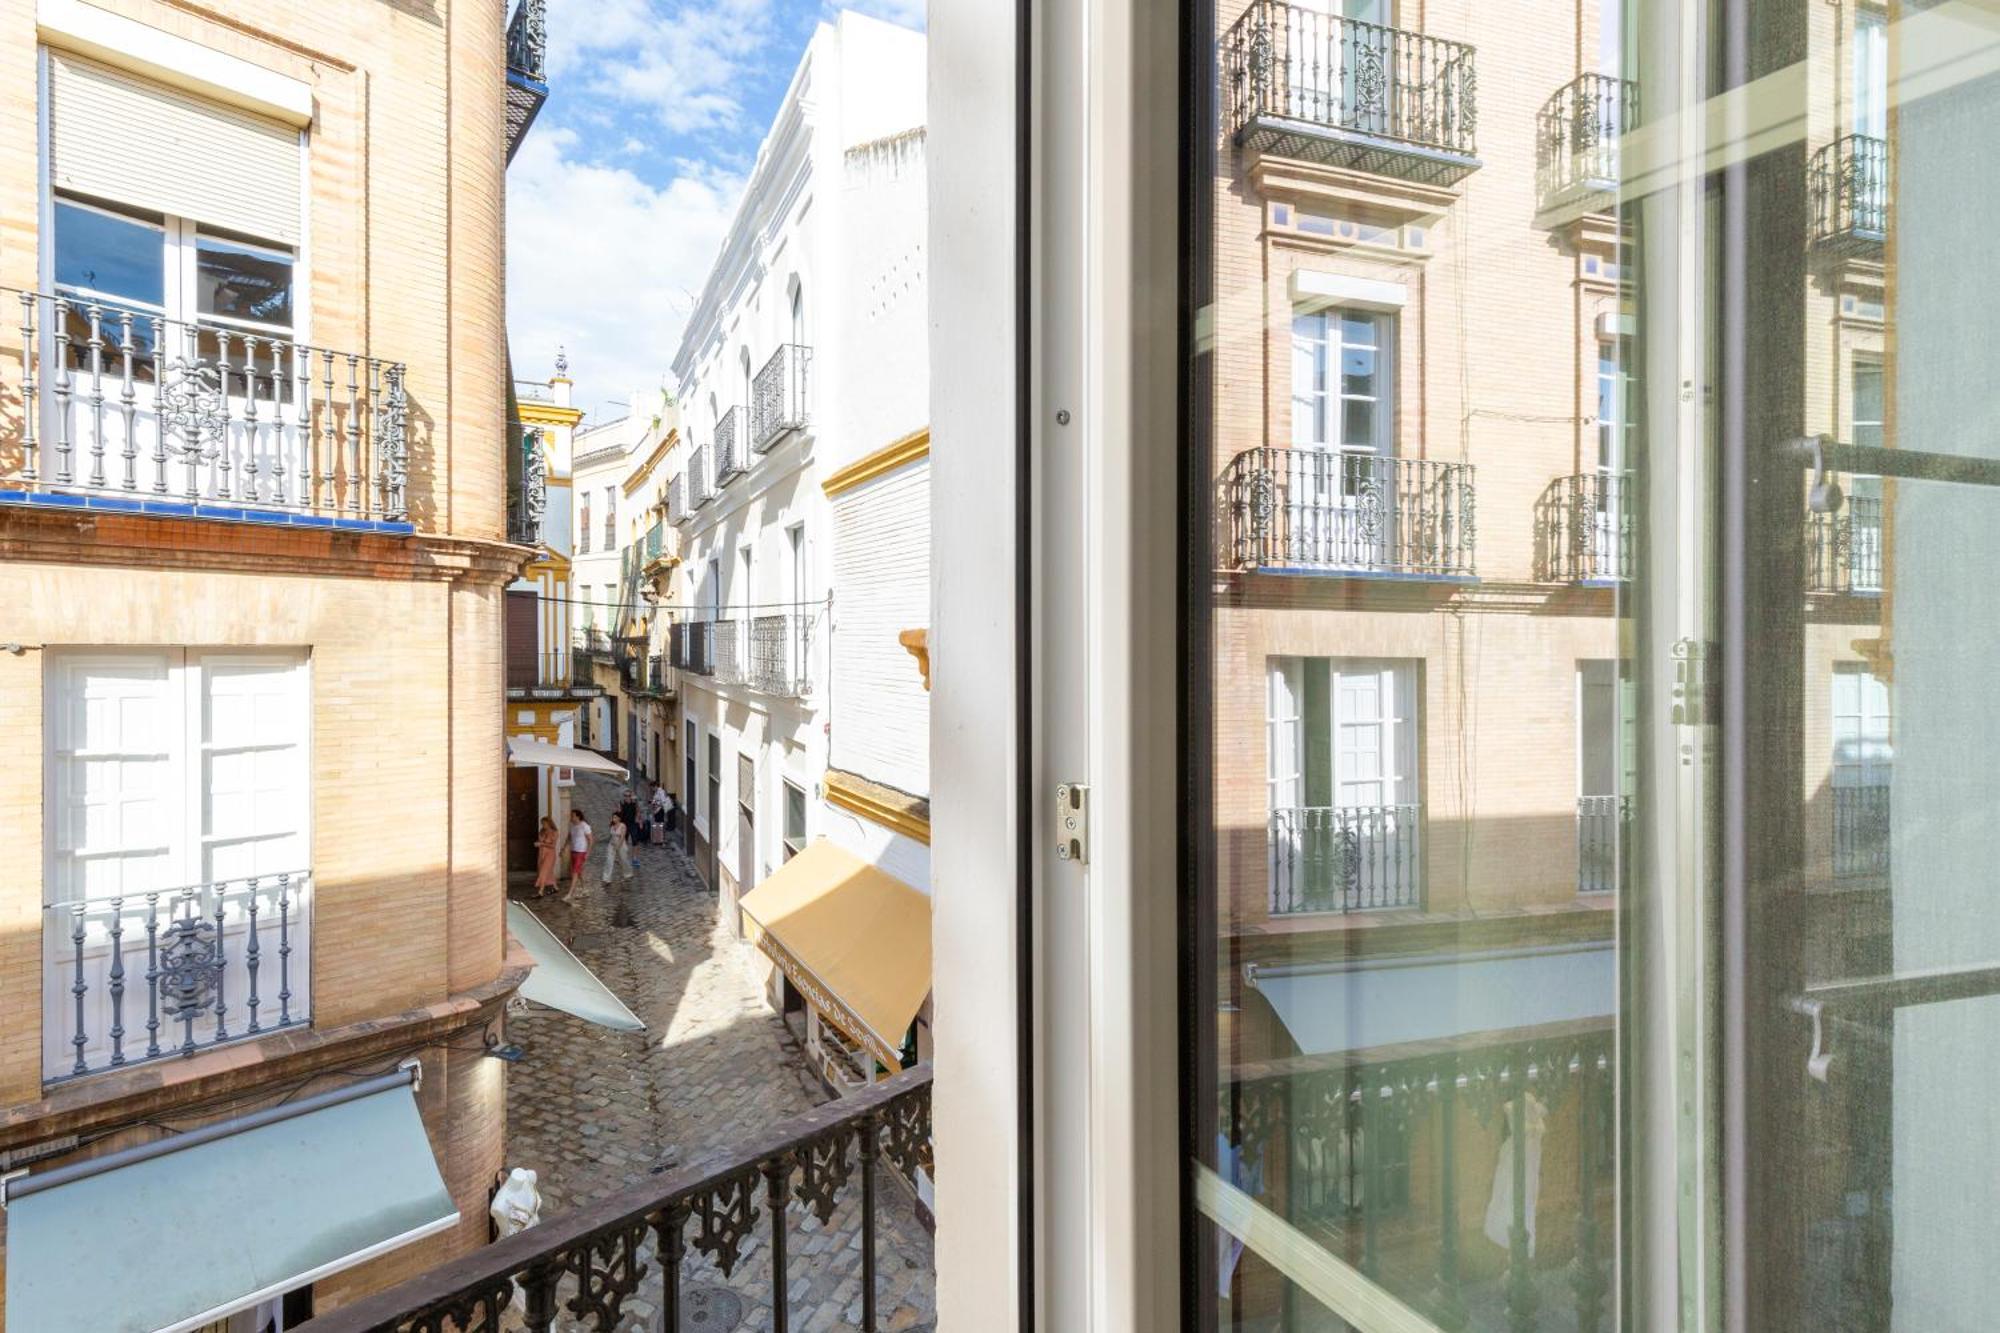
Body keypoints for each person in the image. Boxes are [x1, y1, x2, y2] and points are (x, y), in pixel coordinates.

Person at [563, 809, 593, 900]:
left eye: (572, 816)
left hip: (581, 851)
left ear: (578, 816)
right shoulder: (572, 826)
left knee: (575, 872)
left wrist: (588, 853)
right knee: (578, 871)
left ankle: (570, 894)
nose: (571, 817)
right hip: (573, 851)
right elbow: (569, 837)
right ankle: (585, 889)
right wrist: (564, 848)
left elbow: (591, 840)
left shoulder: (585, 826)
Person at [601, 813, 635, 887]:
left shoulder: (623, 826)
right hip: (612, 845)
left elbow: (622, 837)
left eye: (615, 817)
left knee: (624, 860)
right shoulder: (612, 826)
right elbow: (611, 836)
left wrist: (618, 847)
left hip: (621, 845)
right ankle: (606, 879)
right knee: (609, 861)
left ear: (619, 818)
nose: (614, 819)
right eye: (613, 817)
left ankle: (628, 874)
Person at [533, 816, 560, 898]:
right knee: (548, 871)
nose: (543, 825)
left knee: (543, 872)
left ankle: (540, 892)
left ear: (549, 823)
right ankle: (555, 888)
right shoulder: (542, 831)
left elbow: (553, 846)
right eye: (542, 823)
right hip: (542, 853)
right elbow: (541, 842)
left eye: (544, 823)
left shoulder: (554, 832)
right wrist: (538, 843)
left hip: (550, 854)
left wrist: (541, 844)